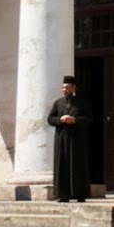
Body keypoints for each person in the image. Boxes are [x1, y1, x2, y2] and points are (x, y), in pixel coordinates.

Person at [47, 75, 92, 203]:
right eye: (63, 87)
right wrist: (60, 120)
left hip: (77, 140)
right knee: (62, 165)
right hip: (62, 140)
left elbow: (89, 119)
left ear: (73, 88)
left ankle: (80, 194)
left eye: (67, 87)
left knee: (78, 166)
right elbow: (50, 119)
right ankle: (63, 195)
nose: (64, 90)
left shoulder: (82, 102)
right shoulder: (58, 103)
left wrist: (75, 120)